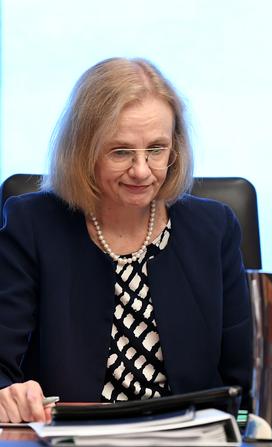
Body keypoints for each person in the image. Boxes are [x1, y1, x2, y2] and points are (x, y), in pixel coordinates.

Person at [0, 58, 252, 423]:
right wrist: (8, 395)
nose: (141, 170)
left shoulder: (214, 230)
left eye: (156, 149)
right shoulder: (32, 225)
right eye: (120, 152)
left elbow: (246, 381)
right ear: (84, 151)